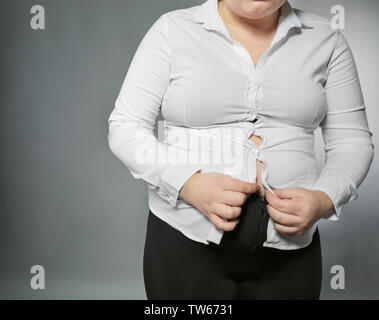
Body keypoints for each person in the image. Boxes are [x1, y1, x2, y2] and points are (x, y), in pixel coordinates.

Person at [108, 0, 374, 299]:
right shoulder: (173, 30)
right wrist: (188, 183)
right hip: (185, 236)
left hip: (291, 249)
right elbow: (126, 127)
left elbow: (352, 142)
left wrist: (324, 199)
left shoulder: (327, 39)